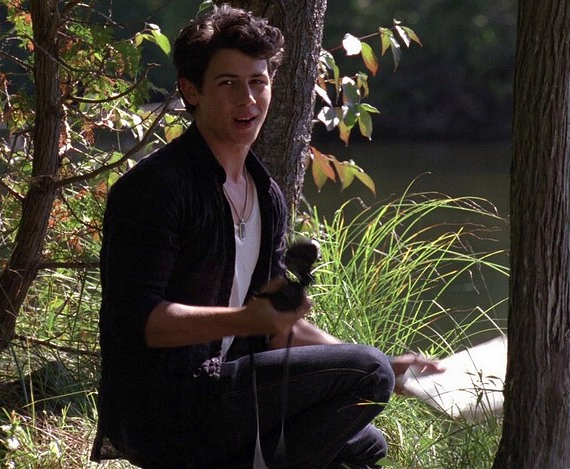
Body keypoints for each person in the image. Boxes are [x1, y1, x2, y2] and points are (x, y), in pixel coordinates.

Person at [90, 4, 439, 468]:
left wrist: (388, 365)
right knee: (367, 372)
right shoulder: (155, 188)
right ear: (191, 91)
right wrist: (246, 321)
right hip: (165, 408)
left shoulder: (266, 194)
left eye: (258, 82)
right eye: (228, 84)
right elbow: (138, 323)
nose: (248, 100)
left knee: (364, 441)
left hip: (225, 391)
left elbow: (273, 326)